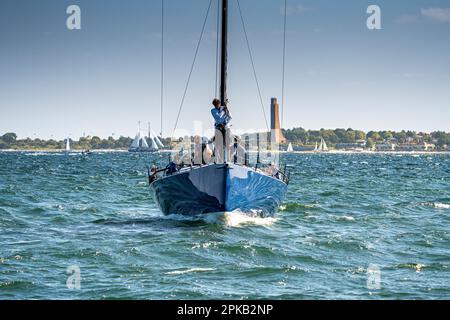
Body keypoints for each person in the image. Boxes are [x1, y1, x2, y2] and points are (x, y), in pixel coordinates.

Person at [211, 98, 232, 163]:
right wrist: (223, 111)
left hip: (226, 128)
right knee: (218, 144)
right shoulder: (213, 110)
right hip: (218, 128)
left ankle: (227, 160)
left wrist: (226, 110)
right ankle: (217, 160)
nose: (216, 106)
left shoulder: (224, 108)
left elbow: (230, 117)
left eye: (217, 105)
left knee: (227, 144)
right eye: (215, 105)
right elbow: (218, 119)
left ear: (219, 104)